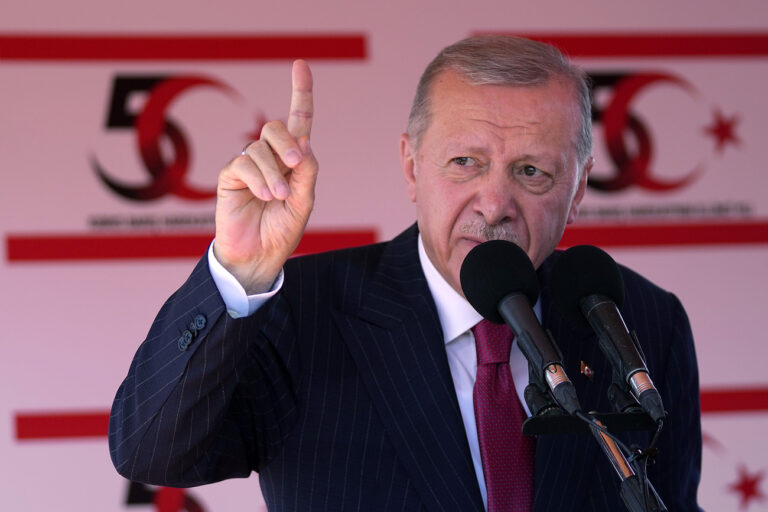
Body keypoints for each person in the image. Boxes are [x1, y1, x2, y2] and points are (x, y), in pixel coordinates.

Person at [109, 36, 702, 511]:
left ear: (577, 190)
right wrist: (240, 270)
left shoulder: (640, 318)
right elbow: (152, 453)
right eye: (463, 163)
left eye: (531, 172)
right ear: (412, 167)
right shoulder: (304, 312)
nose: (493, 204)